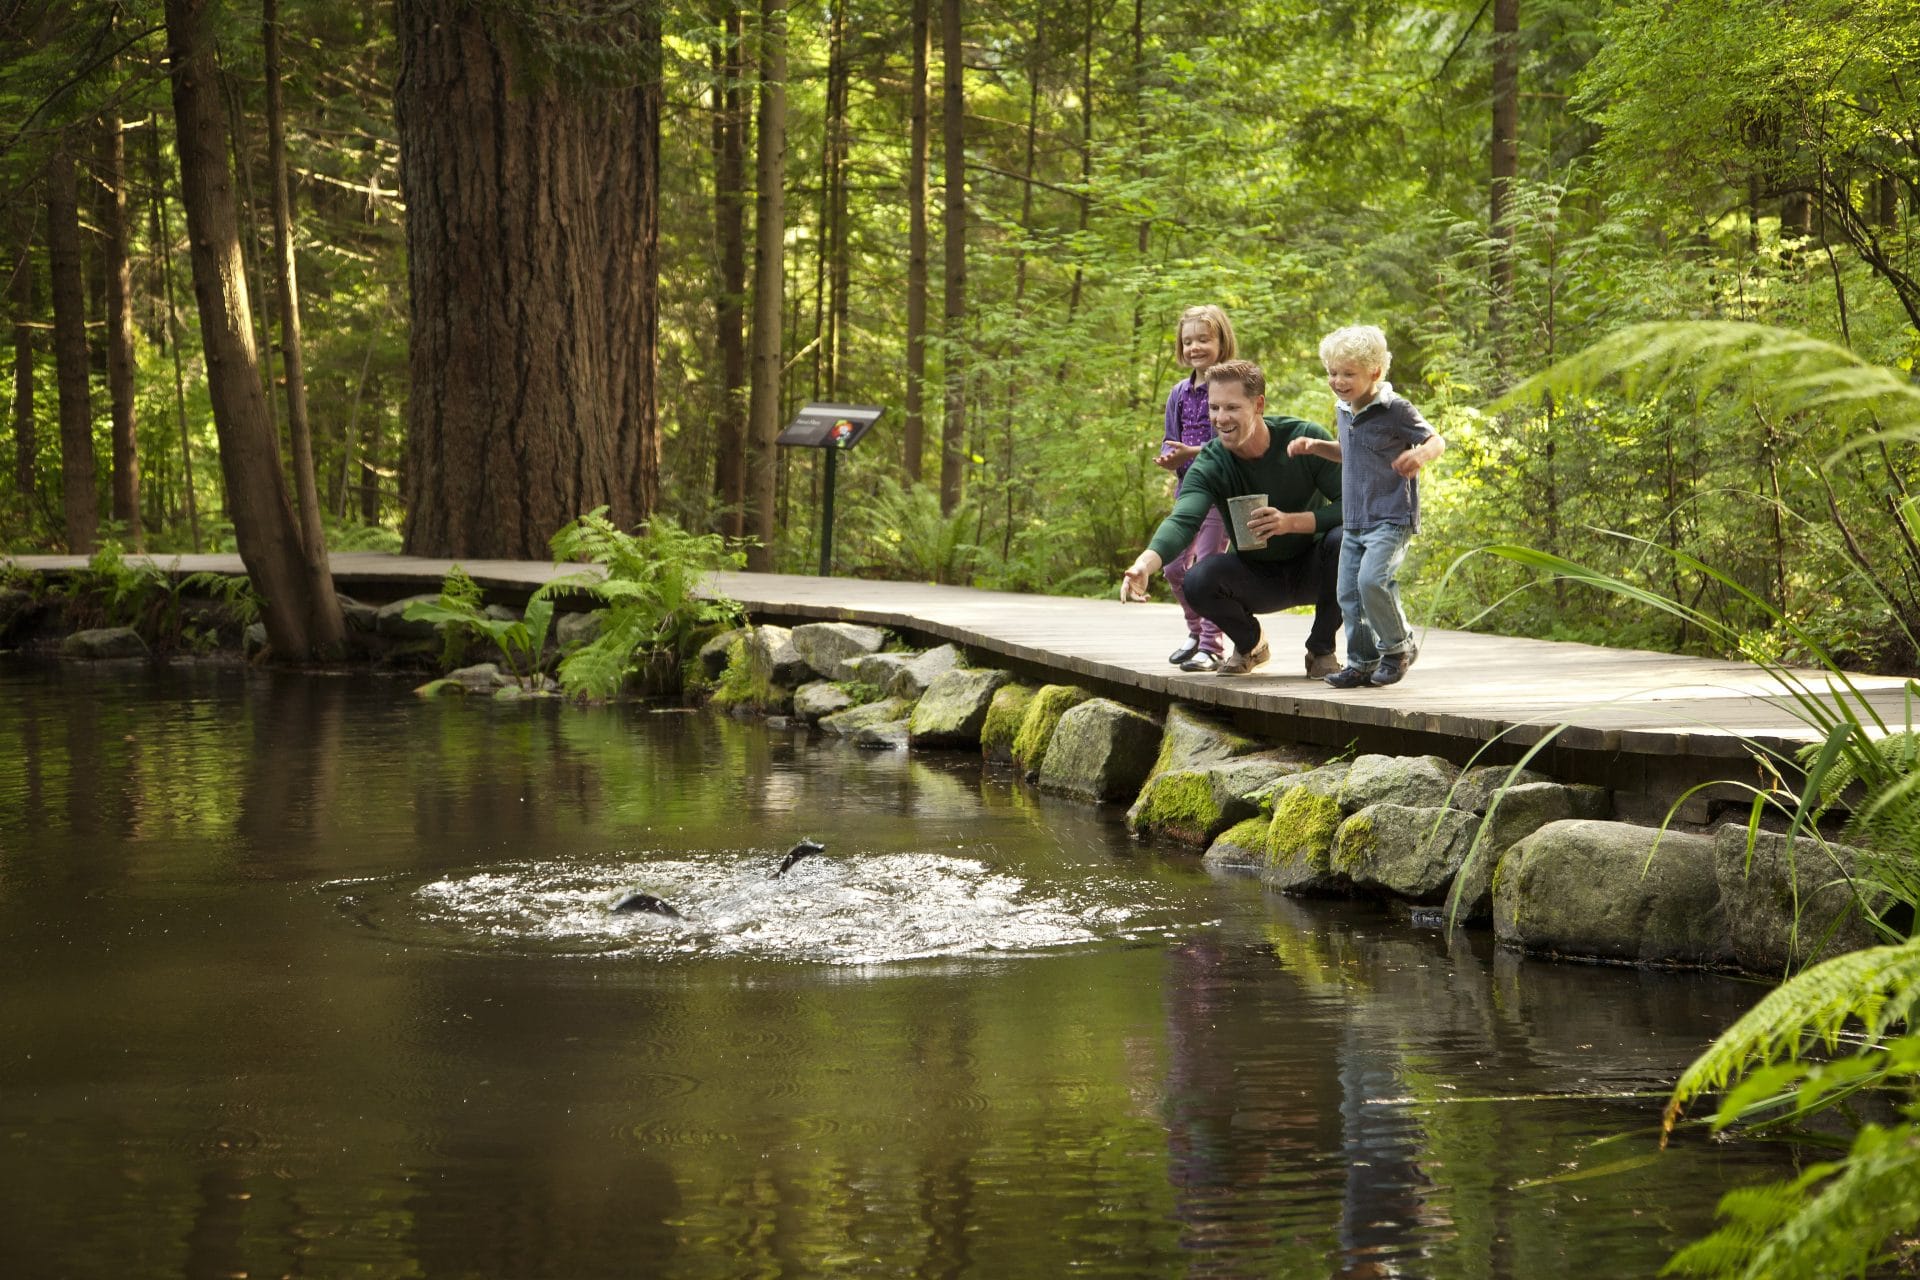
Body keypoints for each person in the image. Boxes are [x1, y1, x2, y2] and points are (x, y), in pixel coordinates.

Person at [1120, 359, 1344, 678]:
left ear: (1258, 405)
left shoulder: (1304, 439)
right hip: (1255, 577)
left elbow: (1352, 506)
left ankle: (1322, 650)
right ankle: (1251, 644)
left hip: (1315, 570)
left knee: (1347, 540)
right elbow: (1183, 520)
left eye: (1231, 408)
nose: (1220, 419)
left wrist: (1292, 522)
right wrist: (1144, 563)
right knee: (1198, 579)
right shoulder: (1211, 461)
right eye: (1214, 408)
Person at [1287, 325, 1444, 688]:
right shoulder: (1343, 409)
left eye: (1348, 374)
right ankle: (1362, 662)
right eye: (1333, 373)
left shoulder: (1396, 409)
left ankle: (1399, 647)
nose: (1338, 381)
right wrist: (1314, 446)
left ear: (1375, 372)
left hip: (1391, 515)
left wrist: (1419, 455)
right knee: (1348, 593)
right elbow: (1350, 454)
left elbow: (1437, 440)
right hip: (1355, 518)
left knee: (1373, 581)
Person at [1155, 305, 1237, 672]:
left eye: (1204, 339)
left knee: (1207, 568)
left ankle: (1211, 645)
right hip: (1188, 492)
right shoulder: (1179, 392)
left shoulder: (1231, 388)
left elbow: (1238, 440)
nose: (1195, 347)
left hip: (1219, 492)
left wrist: (1196, 451)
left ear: (1221, 341)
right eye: (1188, 341)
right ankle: (1194, 631)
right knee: (1173, 566)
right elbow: (1170, 441)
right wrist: (1169, 457)